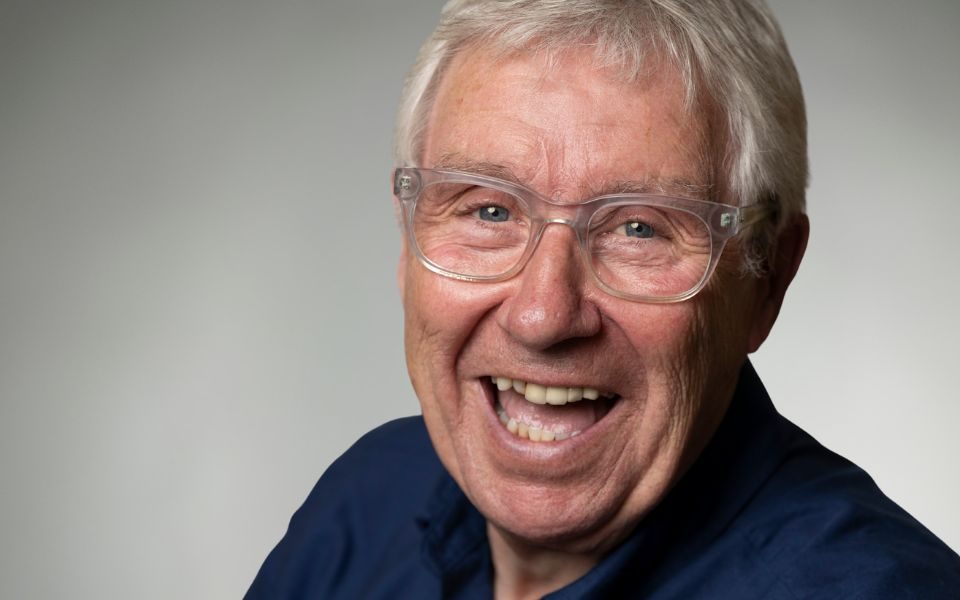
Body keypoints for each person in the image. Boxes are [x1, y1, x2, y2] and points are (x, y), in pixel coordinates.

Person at [246, 1, 960, 597]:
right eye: (489, 210)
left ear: (766, 279)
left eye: (639, 228)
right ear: (408, 241)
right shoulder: (364, 504)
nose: (542, 316)